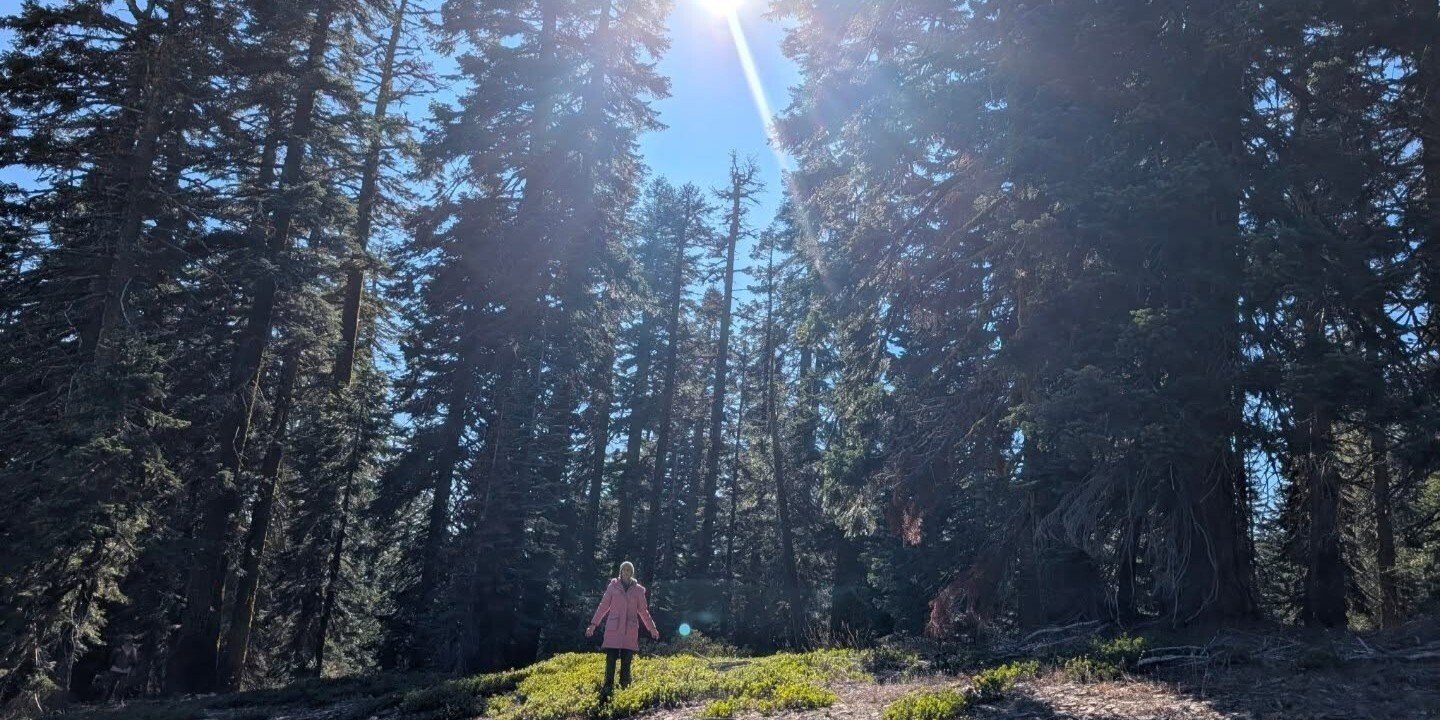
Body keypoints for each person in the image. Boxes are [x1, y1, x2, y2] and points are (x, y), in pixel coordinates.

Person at [586, 561, 659, 697]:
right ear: (620, 571)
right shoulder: (612, 587)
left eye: (629, 570)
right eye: (624, 569)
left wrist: (652, 628)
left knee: (626, 660)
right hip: (614, 629)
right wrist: (593, 624)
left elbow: (643, 612)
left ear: (632, 572)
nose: (626, 572)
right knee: (611, 659)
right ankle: (607, 688)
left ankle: (624, 688)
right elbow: (603, 606)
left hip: (629, 630)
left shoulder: (638, 590)